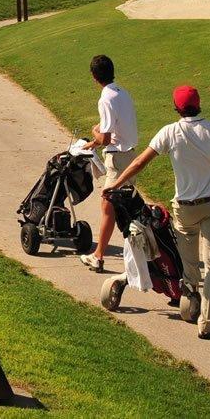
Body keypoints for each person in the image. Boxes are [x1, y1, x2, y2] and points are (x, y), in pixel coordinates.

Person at [105, 85, 210, 340]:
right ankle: (208, 324)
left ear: (177, 108)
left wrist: (115, 183)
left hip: (186, 209)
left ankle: (189, 295)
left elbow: (140, 161)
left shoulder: (170, 132)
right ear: (199, 104)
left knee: (189, 264)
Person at [78, 55, 138, 273]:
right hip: (130, 156)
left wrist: (95, 133)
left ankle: (98, 256)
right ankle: (139, 255)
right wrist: (95, 141)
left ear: (94, 77)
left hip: (118, 158)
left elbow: (105, 137)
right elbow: (114, 129)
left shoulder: (105, 99)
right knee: (125, 209)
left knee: (107, 204)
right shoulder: (123, 93)